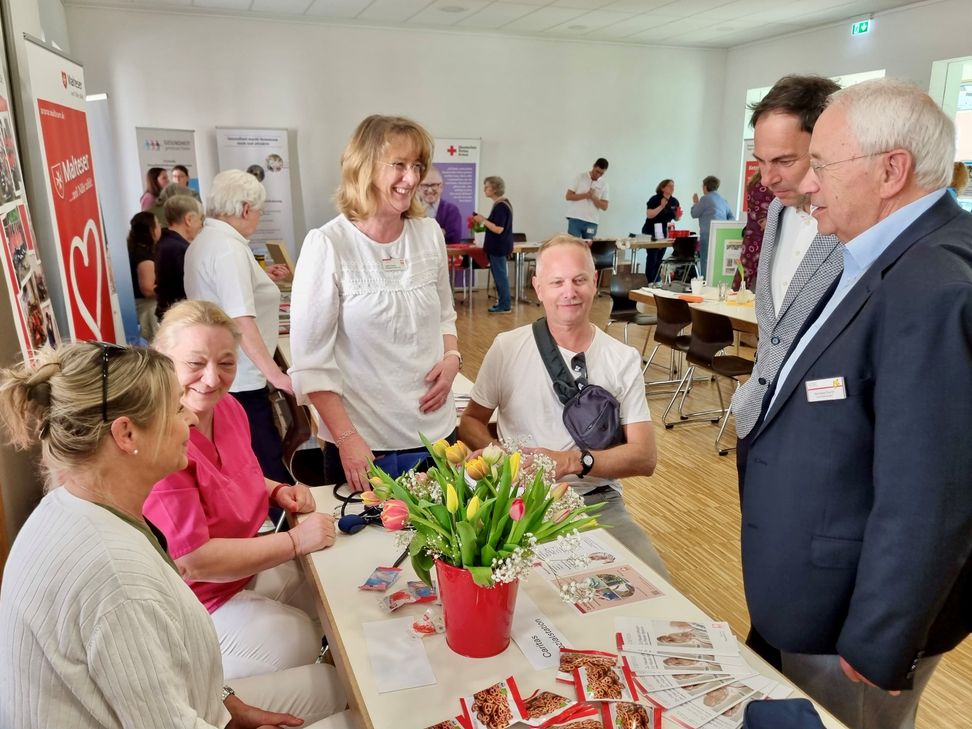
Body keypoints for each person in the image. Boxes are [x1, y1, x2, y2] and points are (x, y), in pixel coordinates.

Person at [741, 78, 972, 729]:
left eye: (821, 164)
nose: (808, 183)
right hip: (814, 588)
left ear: (891, 171)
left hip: (850, 623)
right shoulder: (878, 254)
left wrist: (879, 636)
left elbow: (932, 490)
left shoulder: (933, 283)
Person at [0, 342, 349, 729]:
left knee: (335, 687)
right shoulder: (116, 575)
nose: (192, 419)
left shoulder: (70, 506)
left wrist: (226, 702)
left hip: (187, 702)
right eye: (176, 408)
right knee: (350, 708)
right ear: (126, 434)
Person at [458, 235, 668, 577]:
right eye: (557, 282)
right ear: (538, 287)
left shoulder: (623, 358)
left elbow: (644, 458)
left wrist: (572, 461)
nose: (569, 292)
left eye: (578, 280)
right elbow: (471, 421)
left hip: (597, 501)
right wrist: (501, 457)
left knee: (656, 585)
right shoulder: (507, 348)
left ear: (595, 282)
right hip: (519, 500)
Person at [146, 300, 335, 679]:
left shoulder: (229, 408)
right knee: (301, 638)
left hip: (237, 574)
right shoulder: (160, 441)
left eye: (226, 363)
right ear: (162, 358)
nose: (212, 379)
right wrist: (295, 541)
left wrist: (275, 490)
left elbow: (234, 474)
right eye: (195, 363)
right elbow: (194, 559)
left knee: (325, 594)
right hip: (194, 600)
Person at [289, 115, 460, 493]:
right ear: (364, 167)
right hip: (366, 445)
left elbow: (445, 316)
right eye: (399, 165)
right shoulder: (328, 244)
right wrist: (347, 438)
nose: (412, 179)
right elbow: (311, 364)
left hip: (438, 434)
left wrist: (451, 359)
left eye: (418, 166)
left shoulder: (429, 234)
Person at [731, 75, 843, 482]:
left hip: (821, 439)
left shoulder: (855, 226)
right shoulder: (777, 212)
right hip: (756, 419)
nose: (767, 178)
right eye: (761, 161)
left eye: (783, 161)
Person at [184, 169, 294, 485]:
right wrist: (276, 375)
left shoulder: (207, 241)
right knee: (264, 462)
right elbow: (240, 318)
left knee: (247, 459)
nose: (258, 218)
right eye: (259, 211)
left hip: (225, 373)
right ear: (245, 208)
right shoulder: (228, 248)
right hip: (240, 379)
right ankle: (280, 514)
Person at [155, 194, 204, 321]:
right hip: (179, 317)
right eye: (200, 219)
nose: (201, 225)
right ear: (189, 219)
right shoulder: (179, 249)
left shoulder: (164, 243)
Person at [473, 175, 513, 314]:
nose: (484, 189)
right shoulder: (501, 204)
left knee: (500, 277)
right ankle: (503, 303)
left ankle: (505, 305)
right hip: (497, 247)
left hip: (498, 247)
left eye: (487, 187)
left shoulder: (501, 206)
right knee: (499, 276)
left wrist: (482, 220)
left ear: (495, 189)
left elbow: (498, 229)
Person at [733, 170, 774, 292]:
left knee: (745, 275)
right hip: (760, 238)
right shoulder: (763, 187)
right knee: (751, 277)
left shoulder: (756, 183)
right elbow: (763, 219)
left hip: (753, 237)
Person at [690, 175, 734, 276]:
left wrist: (695, 203)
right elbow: (731, 217)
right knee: (718, 261)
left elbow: (694, 214)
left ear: (705, 187)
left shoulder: (705, 199)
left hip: (707, 234)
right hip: (721, 234)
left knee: (706, 260)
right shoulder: (723, 200)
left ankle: (706, 282)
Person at [127, 210, 160, 341]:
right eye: (157, 224)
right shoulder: (144, 257)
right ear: (150, 230)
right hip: (148, 310)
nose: (160, 226)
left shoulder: (135, 250)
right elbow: (147, 289)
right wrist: (170, 289)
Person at [642, 179, 681, 285]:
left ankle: (656, 280)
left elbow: (676, 217)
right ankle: (650, 281)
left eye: (673, 186)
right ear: (662, 187)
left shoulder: (674, 201)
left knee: (659, 258)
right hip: (651, 230)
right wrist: (661, 206)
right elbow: (649, 215)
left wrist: (678, 216)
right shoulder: (655, 199)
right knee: (652, 257)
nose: (672, 188)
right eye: (669, 186)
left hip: (663, 231)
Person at [565, 158, 609, 239]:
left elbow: (605, 207)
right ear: (593, 166)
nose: (598, 175)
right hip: (575, 219)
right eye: (597, 171)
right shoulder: (580, 177)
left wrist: (593, 197)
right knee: (573, 245)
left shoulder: (604, 184)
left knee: (589, 246)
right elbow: (568, 196)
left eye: (601, 173)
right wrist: (586, 195)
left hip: (592, 222)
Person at [420, 165, 463, 244]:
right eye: (425, 185)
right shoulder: (410, 210)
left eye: (434, 185)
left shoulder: (452, 210)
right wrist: (441, 232)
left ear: (441, 187)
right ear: (418, 187)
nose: (429, 190)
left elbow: (454, 239)